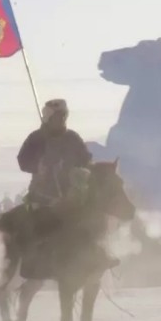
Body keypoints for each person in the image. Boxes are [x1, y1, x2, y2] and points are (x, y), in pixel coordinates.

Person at [16, 98, 117, 277]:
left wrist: (83, 169)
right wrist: (38, 166)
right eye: (57, 117)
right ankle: (34, 265)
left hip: (71, 194)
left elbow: (85, 159)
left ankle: (98, 256)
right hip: (43, 195)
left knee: (91, 221)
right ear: (48, 118)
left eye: (63, 116)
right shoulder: (36, 138)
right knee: (42, 227)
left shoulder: (73, 138)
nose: (61, 120)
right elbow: (22, 160)